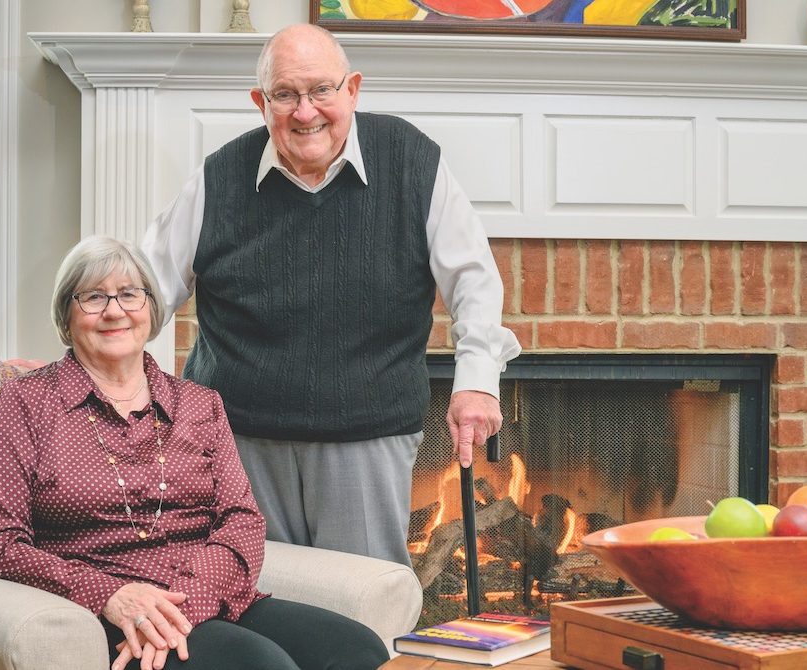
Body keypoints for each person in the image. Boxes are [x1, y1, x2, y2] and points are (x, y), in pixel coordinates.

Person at [142, 23, 522, 568]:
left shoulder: (411, 160)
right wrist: (79, 372)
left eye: (321, 90)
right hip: (236, 440)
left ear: (353, 90)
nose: (306, 112)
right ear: (261, 103)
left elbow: (473, 278)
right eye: (285, 94)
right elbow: (143, 289)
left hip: (366, 439)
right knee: (250, 597)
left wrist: (478, 382)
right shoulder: (218, 176)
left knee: (361, 605)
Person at [0, 236, 388, 670]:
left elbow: (242, 521)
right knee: (260, 665)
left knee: (358, 650)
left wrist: (183, 604)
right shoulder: (28, 403)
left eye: (129, 294)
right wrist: (109, 594)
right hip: (109, 612)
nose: (114, 311)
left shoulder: (199, 404)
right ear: (66, 314)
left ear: (151, 308)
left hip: (204, 594)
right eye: (93, 297)